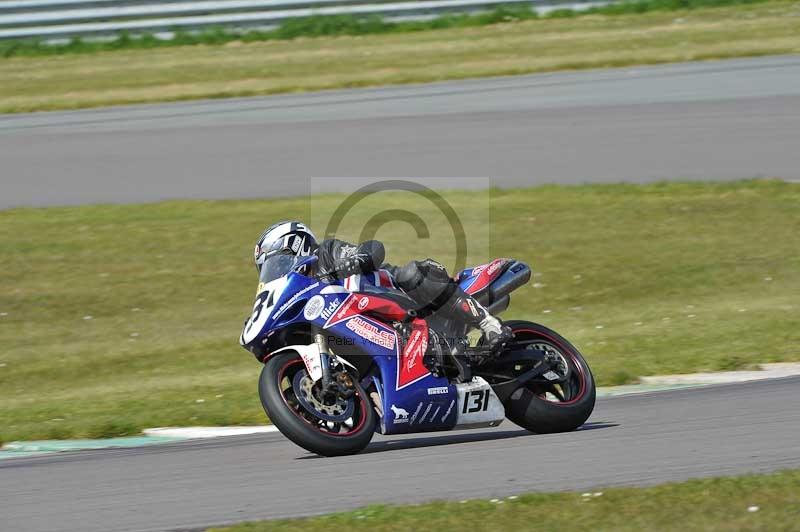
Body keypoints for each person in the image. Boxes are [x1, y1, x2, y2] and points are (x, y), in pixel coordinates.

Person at [248, 220, 511, 350]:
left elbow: (373, 249)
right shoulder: (301, 293)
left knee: (411, 272)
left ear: (296, 245)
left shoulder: (326, 253)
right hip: (376, 334)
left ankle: (490, 324)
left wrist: (357, 260)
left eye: (278, 263)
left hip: (411, 299)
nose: (276, 272)